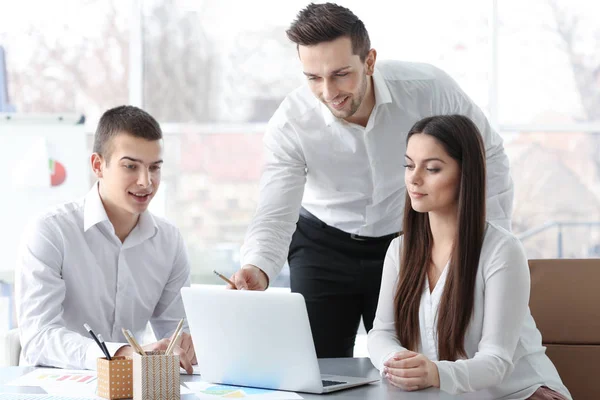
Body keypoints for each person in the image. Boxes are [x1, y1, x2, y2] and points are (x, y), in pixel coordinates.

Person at [231, 2, 514, 358]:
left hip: (406, 244)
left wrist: (484, 244)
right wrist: (257, 266)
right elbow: (275, 213)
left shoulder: (429, 90)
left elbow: (489, 156)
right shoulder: (290, 123)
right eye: (313, 78)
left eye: (340, 74)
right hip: (323, 247)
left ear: (369, 61)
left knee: (417, 364)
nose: (328, 92)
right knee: (317, 368)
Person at [367, 115, 571, 399]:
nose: (414, 178)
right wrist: (399, 362)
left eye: (433, 168)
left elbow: (496, 360)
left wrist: (435, 373)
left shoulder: (501, 250)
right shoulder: (399, 251)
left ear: (465, 174)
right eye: (409, 165)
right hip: (451, 393)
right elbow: (381, 334)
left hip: (523, 393)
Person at [15, 105, 196, 373]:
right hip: (54, 387)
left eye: (154, 168)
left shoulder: (169, 241)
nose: (146, 181)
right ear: (98, 165)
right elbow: (39, 337)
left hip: (129, 387)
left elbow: (176, 333)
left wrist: (192, 345)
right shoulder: (50, 232)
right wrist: (122, 354)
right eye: (131, 166)